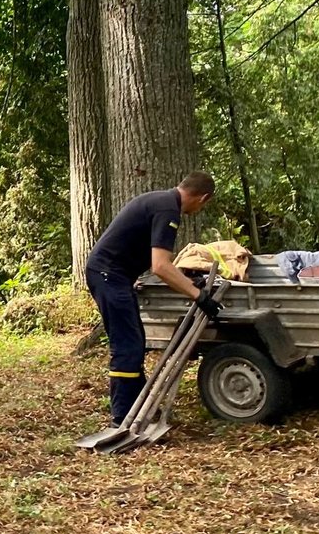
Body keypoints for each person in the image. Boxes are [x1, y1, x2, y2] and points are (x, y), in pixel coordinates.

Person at [85, 172, 219, 423]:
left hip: (115, 275)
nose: (200, 209)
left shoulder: (161, 202)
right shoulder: (168, 210)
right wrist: (198, 295)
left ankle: (140, 409)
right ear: (203, 198)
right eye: (204, 205)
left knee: (135, 341)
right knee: (127, 345)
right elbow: (160, 266)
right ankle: (122, 416)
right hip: (108, 275)